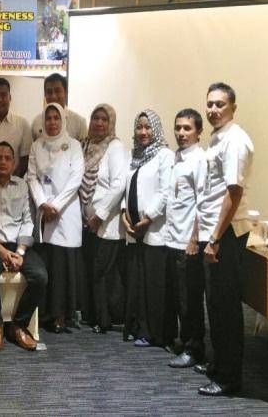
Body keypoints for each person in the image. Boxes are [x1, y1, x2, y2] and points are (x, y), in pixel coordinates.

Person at [195, 82, 254, 396]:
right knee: (215, 305)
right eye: (210, 104)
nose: (213, 109)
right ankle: (219, 364)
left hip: (225, 234)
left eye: (220, 104)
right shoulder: (218, 137)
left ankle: (229, 378)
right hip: (214, 232)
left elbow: (234, 193)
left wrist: (215, 238)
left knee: (226, 307)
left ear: (233, 107)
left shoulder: (235, 140)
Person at [0, 141, 47, 351]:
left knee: (40, 276)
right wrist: (1, 252)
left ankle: (19, 325)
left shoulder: (22, 186)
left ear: (14, 162)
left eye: (7, 158)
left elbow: (28, 221)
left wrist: (19, 252)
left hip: (19, 245)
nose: (2, 162)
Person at [27, 103, 85, 333]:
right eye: (48, 118)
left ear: (63, 120)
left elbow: (76, 178)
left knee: (63, 264)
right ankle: (45, 312)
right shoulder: (36, 146)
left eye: (56, 118)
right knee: (47, 261)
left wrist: (56, 206)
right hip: (43, 210)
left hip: (66, 211)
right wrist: (43, 203)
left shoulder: (74, 145)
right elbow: (32, 177)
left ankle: (62, 314)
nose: (52, 122)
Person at [121, 109, 175, 349]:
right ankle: (138, 327)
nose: (143, 132)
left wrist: (148, 219)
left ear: (156, 129)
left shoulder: (164, 155)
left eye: (148, 127)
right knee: (137, 283)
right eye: (139, 127)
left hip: (154, 230)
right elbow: (127, 188)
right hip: (134, 230)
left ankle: (156, 333)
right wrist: (124, 214)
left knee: (154, 285)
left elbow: (166, 191)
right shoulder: (134, 156)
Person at [164, 109, 208, 369]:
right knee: (178, 298)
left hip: (187, 242)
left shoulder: (199, 159)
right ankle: (185, 341)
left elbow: (203, 203)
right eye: (178, 127)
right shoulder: (177, 157)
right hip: (172, 238)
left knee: (190, 300)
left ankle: (194, 348)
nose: (181, 133)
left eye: (187, 128)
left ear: (199, 132)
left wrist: (194, 240)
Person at [80, 104, 127, 334]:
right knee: (91, 269)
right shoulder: (86, 145)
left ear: (111, 123)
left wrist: (99, 216)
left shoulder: (115, 147)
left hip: (106, 223)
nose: (98, 123)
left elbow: (118, 185)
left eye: (104, 119)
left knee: (102, 271)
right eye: (95, 118)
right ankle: (92, 315)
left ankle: (105, 319)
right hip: (86, 222)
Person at [30, 73, 87, 142]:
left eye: (57, 91)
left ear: (66, 93)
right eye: (49, 92)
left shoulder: (79, 123)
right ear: (45, 95)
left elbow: (83, 148)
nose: (53, 96)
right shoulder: (37, 122)